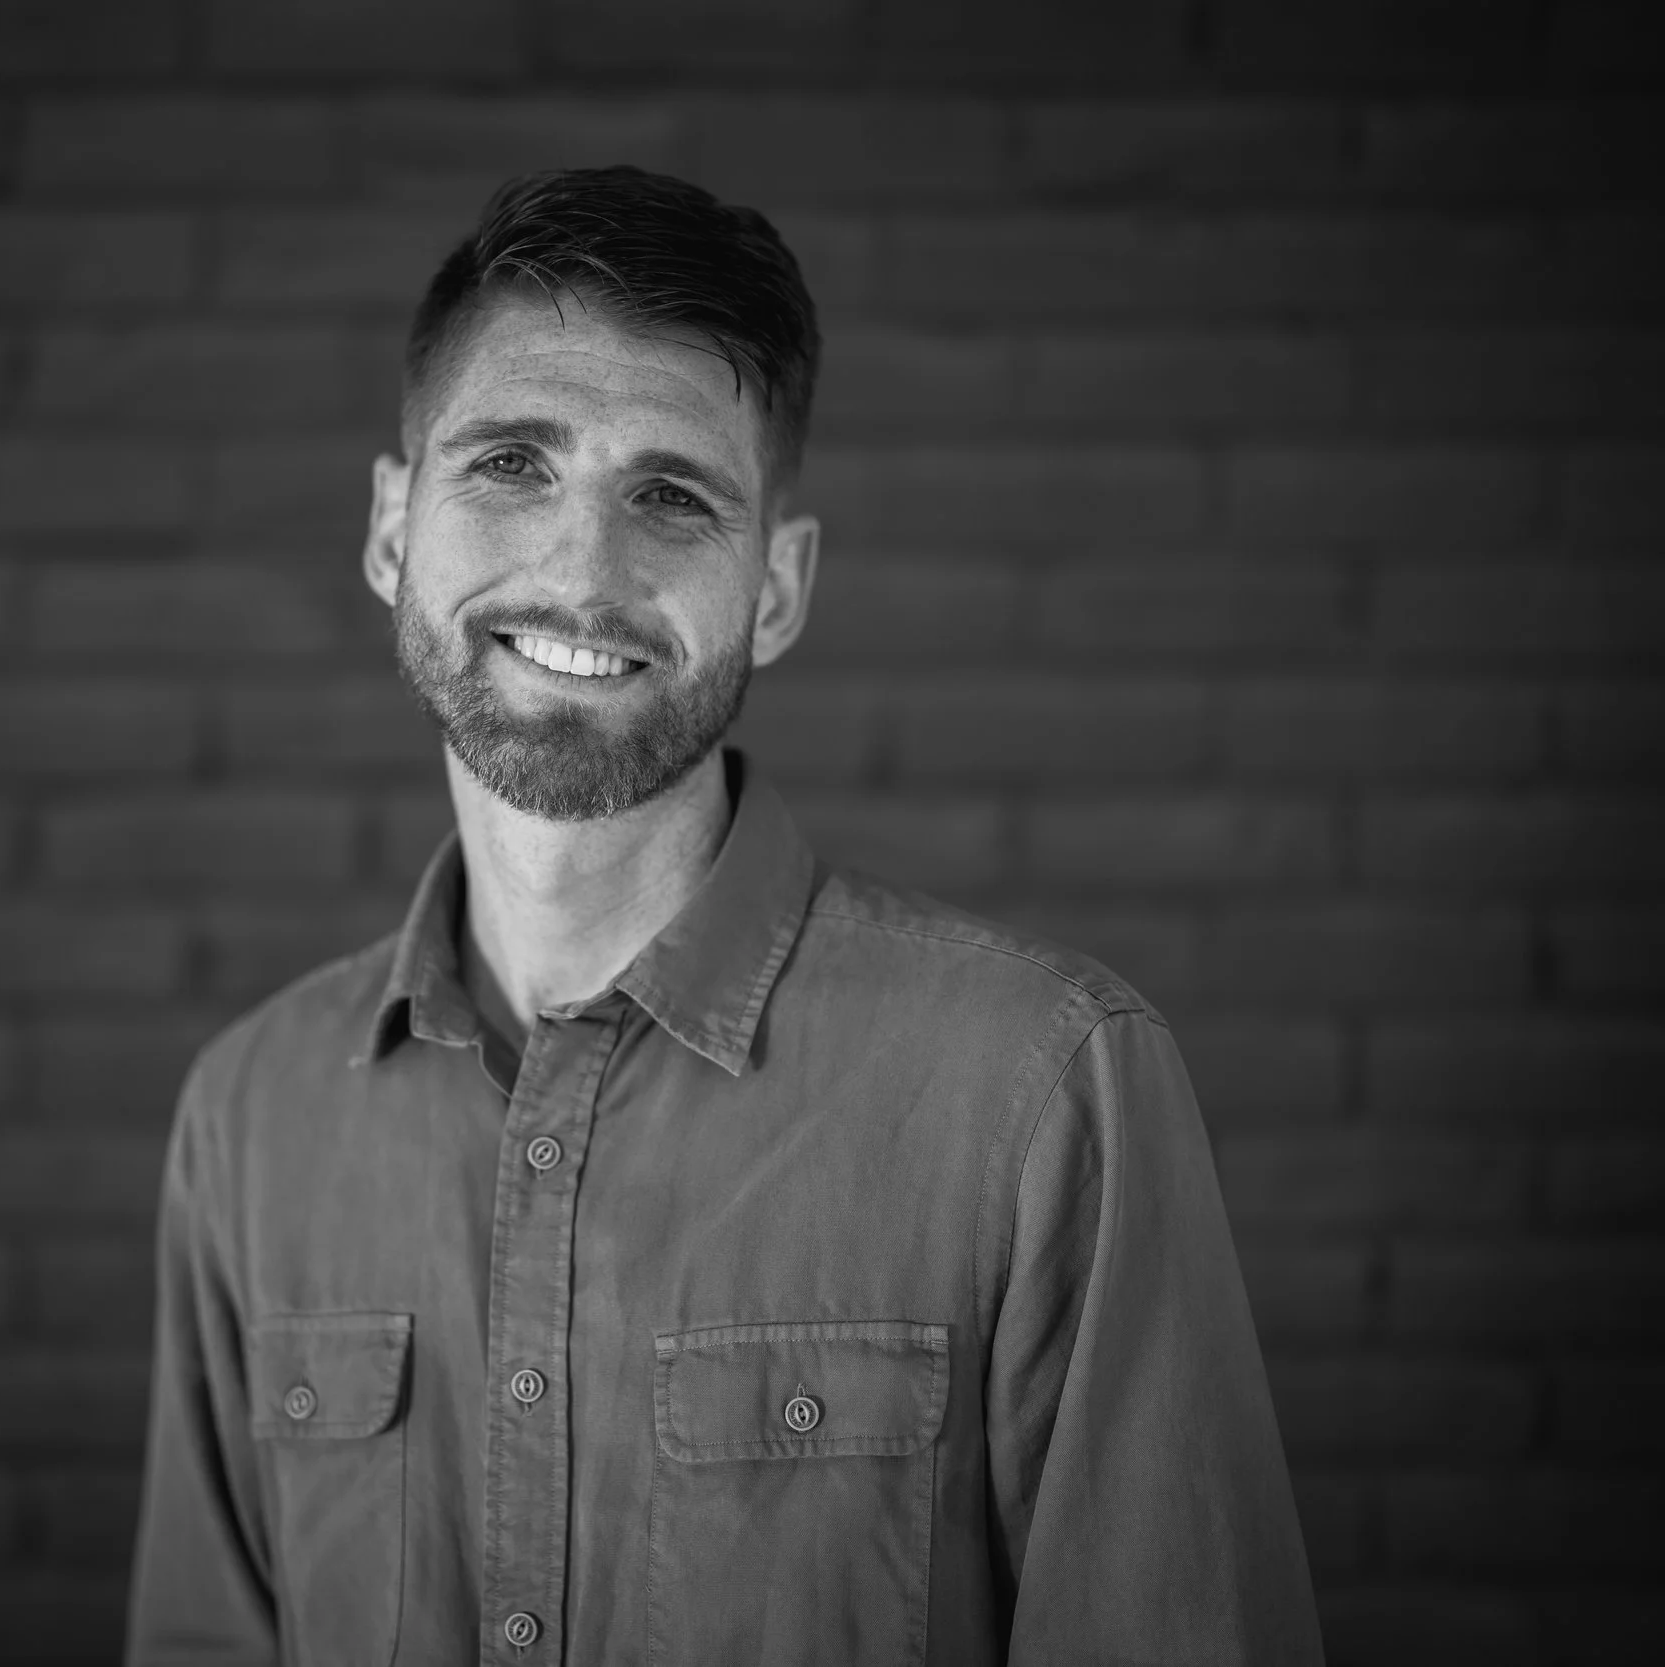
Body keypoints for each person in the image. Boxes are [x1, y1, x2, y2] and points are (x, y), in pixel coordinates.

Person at [126, 166, 1323, 1666]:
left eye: (673, 496)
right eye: (510, 463)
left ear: (777, 587)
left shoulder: (1041, 1092)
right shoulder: (252, 1115)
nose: (584, 572)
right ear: (389, 528)